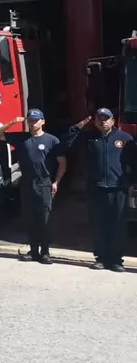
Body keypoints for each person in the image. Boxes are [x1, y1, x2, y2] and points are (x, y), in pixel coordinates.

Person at [61, 108, 136, 272]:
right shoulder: (88, 138)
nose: (103, 121)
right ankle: (101, 258)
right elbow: (66, 145)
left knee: (118, 226)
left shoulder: (124, 138)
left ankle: (116, 260)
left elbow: (134, 161)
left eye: (106, 118)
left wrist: (131, 181)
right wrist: (77, 127)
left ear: (112, 121)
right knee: (98, 225)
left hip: (118, 189)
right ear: (94, 121)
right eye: (99, 118)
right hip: (95, 188)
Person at [0, 109, 66, 265]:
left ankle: (45, 252)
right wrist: (13, 123)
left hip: (44, 182)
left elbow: (62, 163)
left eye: (35, 120)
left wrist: (56, 182)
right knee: (30, 218)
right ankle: (33, 251)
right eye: (30, 120)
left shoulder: (52, 140)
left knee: (44, 218)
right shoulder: (22, 138)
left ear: (43, 121)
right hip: (27, 182)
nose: (32, 123)